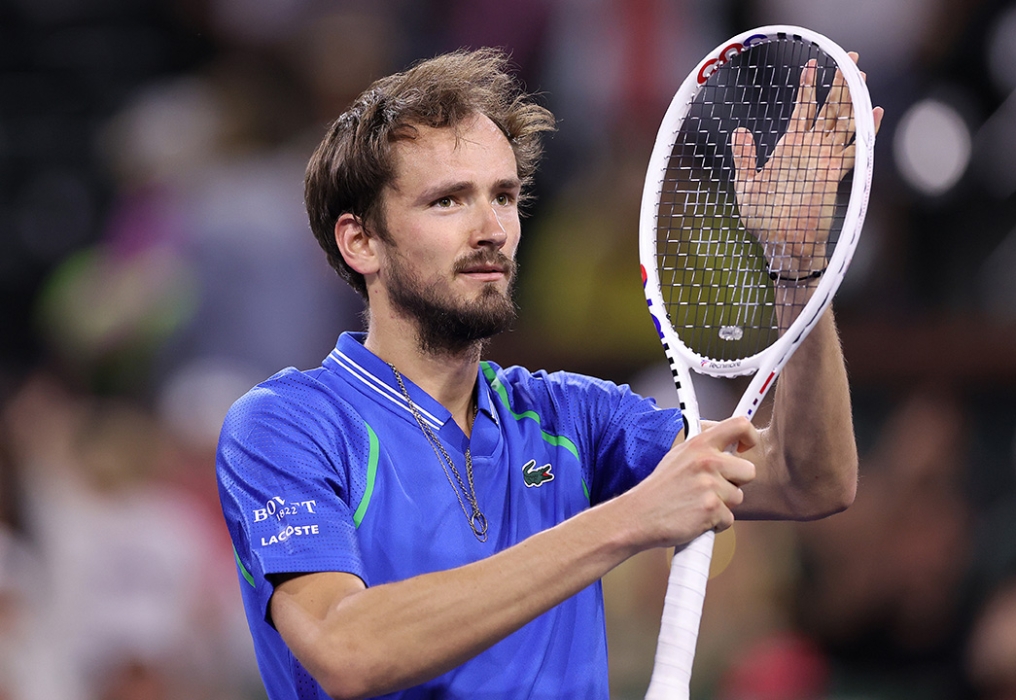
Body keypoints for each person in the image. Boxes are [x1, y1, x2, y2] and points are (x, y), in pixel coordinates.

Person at [216, 48, 882, 699]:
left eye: (503, 196)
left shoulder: (573, 418)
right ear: (360, 241)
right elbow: (347, 650)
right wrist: (629, 519)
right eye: (448, 201)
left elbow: (808, 480)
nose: (492, 229)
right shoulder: (286, 424)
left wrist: (799, 274)